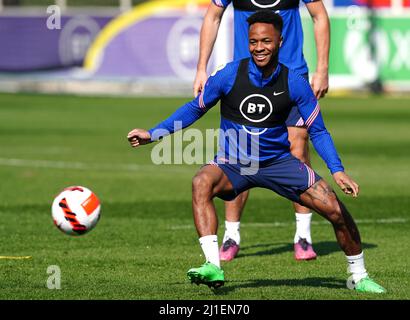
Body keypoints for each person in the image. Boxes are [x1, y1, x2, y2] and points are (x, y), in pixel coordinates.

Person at [127, 11, 385, 294]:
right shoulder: (229, 75)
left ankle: (358, 277)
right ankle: (213, 266)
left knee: (336, 210)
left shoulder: (294, 82)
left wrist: (337, 170)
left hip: (279, 163)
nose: (259, 47)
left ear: (280, 41)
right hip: (235, 163)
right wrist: (154, 134)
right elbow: (194, 109)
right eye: (253, 42)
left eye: (266, 41)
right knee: (201, 182)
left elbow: (318, 130)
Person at [193, 0, 330, 262]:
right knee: (240, 157)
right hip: (247, 79)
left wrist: (322, 68)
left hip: (291, 77)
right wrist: (202, 67)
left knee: (298, 149)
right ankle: (231, 235)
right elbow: (212, 16)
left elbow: (319, 15)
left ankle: (303, 235)